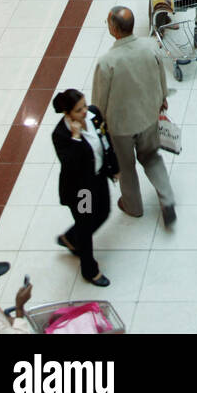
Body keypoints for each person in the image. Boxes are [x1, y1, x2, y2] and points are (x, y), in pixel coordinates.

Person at [91, 6, 176, 227]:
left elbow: (99, 102)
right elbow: (161, 77)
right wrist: (162, 98)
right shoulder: (150, 47)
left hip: (121, 127)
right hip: (148, 115)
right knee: (151, 156)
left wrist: (99, 126)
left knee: (126, 166)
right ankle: (167, 200)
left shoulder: (107, 62)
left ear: (114, 28)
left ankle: (133, 206)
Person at [52, 88, 118, 288]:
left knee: (104, 212)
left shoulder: (94, 115)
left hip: (98, 177)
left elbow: (106, 142)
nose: (84, 111)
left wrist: (114, 167)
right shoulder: (61, 135)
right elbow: (71, 164)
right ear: (68, 113)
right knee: (85, 225)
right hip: (80, 189)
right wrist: (76, 137)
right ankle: (90, 270)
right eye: (79, 109)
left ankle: (71, 237)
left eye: (84, 105)